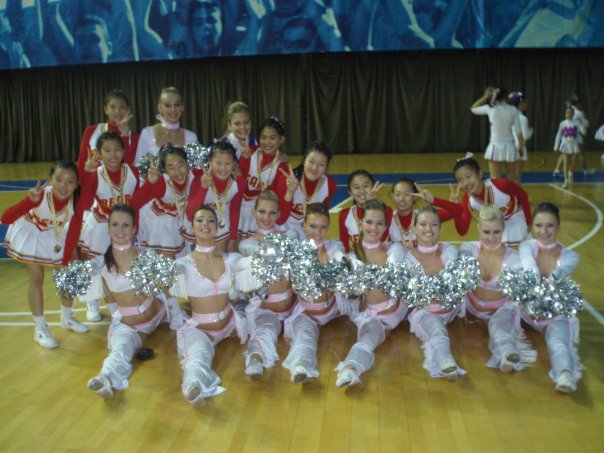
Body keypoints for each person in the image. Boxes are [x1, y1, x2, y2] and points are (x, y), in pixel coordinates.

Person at [85, 205, 179, 400]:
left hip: (160, 312)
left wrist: (176, 313)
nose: (120, 230)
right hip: (132, 325)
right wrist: (114, 316)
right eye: (115, 225)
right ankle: (106, 378)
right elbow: (108, 294)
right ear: (108, 228)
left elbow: (164, 285)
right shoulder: (101, 263)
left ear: (134, 229)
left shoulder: (146, 255)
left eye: (125, 225)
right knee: (122, 348)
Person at [2, 161, 88, 349]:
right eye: (59, 180)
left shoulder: (76, 201)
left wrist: (67, 258)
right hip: (31, 232)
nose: (64, 186)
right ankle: (40, 328)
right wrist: (29, 201)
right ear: (50, 180)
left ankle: (67, 317)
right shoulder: (40, 195)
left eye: (70, 182)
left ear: (76, 184)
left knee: (67, 275)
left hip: (54, 233)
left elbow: (74, 230)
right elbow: (5, 218)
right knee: (37, 276)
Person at [171, 204, 247, 407]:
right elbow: (173, 273)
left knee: (262, 327)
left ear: (217, 226)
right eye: (200, 220)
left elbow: (245, 265)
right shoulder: (184, 264)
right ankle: (192, 386)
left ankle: (257, 360)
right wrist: (171, 272)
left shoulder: (230, 259)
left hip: (231, 324)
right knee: (199, 358)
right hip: (201, 329)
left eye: (211, 220)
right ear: (192, 227)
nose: (205, 224)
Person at [63, 131, 140, 321]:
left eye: (117, 149)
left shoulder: (133, 172)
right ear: (98, 153)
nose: (113, 155)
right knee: (94, 266)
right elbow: (84, 204)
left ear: (124, 151)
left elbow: (137, 204)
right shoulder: (95, 175)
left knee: (120, 265)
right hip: (100, 226)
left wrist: (135, 228)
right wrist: (86, 175)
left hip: (123, 228)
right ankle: (92, 302)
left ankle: (119, 303)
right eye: (107, 150)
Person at [335, 199, 408, 387]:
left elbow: (395, 278)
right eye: (369, 222)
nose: (374, 228)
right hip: (373, 317)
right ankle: (350, 368)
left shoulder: (395, 249)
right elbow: (350, 295)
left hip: (397, 312)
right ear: (361, 224)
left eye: (379, 223)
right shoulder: (352, 258)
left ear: (385, 226)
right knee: (367, 340)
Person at [459, 205, 536, 373]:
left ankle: (508, 355)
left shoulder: (513, 258)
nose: (491, 237)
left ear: (503, 229)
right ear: (479, 228)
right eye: (486, 232)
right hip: (470, 307)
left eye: (497, 232)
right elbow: (462, 263)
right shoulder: (468, 249)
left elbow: (521, 280)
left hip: (499, 308)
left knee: (500, 328)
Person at [283, 203, 354, 383]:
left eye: (323, 227)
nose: (318, 232)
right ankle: (300, 368)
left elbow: (339, 253)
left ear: (328, 228)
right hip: (307, 313)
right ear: (303, 225)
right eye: (313, 226)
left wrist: (342, 260)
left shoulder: (333, 246)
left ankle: (353, 368)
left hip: (335, 310)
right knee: (306, 338)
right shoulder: (295, 252)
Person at [518, 202, 582, 393]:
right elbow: (531, 269)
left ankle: (565, 374)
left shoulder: (571, 257)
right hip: (523, 311)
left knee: (558, 343)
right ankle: (505, 353)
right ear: (532, 226)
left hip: (553, 314)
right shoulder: (526, 246)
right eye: (538, 225)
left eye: (550, 226)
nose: (544, 231)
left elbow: (557, 276)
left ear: (558, 227)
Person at [405, 205, 465, 380]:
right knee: (437, 330)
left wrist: (433, 286)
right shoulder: (408, 258)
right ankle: (447, 363)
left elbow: (452, 276)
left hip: (452, 309)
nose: (428, 229)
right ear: (414, 229)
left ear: (440, 229)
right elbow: (417, 294)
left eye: (434, 224)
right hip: (426, 312)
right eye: (423, 224)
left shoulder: (449, 250)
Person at [450, 154, 532, 247]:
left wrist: (529, 222)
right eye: (460, 180)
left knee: (500, 243)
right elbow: (462, 231)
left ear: (480, 174)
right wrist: (455, 209)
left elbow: (523, 195)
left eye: (468, 176)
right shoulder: (467, 200)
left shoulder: (501, 185)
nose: (465, 183)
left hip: (515, 216)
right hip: (495, 226)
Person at [131, 144, 197, 256]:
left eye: (181, 165)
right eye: (171, 168)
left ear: (187, 164)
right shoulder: (161, 184)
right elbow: (134, 203)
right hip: (160, 220)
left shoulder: (193, 175)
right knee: (167, 257)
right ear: (165, 170)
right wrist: (150, 183)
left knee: (183, 256)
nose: (178, 172)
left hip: (180, 217)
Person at [186, 140, 246, 252]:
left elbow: (235, 210)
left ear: (234, 163)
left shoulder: (238, 183)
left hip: (221, 228)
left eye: (227, 163)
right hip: (200, 226)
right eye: (218, 163)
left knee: (219, 258)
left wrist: (233, 238)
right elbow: (190, 215)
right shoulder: (200, 179)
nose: (223, 168)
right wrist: (203, 187)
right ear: (210, 161)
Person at [238, 116, 290, 238]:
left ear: (281, 139)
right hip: (239, 208)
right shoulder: (250, 152)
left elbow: (275, 198)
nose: (267, 142)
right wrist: (244, 159)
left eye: (272, 138)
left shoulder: (282, 167)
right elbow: (239, 182)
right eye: (263, 137)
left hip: (261, 215)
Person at [276, 141, 337, 239]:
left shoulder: (330, 185)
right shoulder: (287, 180)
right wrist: (290, 192)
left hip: (308, 231)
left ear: (326, 168)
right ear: (304, 160)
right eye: (311, 162)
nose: (314, 168)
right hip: (282, 228)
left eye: (321, 164)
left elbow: (322, 219)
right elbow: (280, 220)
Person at [389, 176, 462, 252]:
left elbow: (457, 210)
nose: (401, 199)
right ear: (392, 196)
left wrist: (434, 200)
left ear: (415, 197)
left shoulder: (425, 216)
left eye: (407, 194)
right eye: (397, 194)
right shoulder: (387, 218)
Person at [76, 89, 139, 176]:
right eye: (113, 107)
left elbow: (129, 168)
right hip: (94, 183)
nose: (117, 111)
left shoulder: (135, 138)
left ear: (128, 110)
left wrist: (125, 137)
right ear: (106, 109)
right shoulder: (91, 131)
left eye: (122, 107)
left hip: (123, 184)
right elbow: (81, 164)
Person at [471, 86, 524, 181]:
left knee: (495, 179)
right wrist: (521, 148)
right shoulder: (513, 109)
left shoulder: (490, 108)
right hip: (510, 147)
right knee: (512, 179)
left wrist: (484, 97)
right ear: (505, 96)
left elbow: (473, 108)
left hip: (495, 147)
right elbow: (518, 132)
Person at [135, 87, 198, 162]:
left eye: (177, 105)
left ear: (182, 107)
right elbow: (138, 164)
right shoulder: (147, 133)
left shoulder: (191, 137)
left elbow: (197, 167)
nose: (173, 109)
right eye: (168, 105)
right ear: (160, 108)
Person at [339, 169, 391, 252]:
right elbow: (344, 246)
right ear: (350, 192)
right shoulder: (344, 214)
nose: (362, 191)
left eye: (366, 186)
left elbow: (383, 239)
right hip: (354, 259)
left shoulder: (386, 211)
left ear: (373, 187)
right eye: (356, 187)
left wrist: (371, 206)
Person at [552, 107, 587, 189]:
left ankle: (570, 174)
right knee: (565, 162)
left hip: (574, 145)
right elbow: (558, 134)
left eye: (570, 112)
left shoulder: (576, 122)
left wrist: (582, 127)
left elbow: (583, 132)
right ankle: (566, 180)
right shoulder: (562, 123)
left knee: (573, 163)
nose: (568, 114)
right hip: (565, 144)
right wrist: (556, 146)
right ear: (565, 114)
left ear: (573, 114)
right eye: (567, 112)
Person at [508, 91, 533, 185]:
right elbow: (525, 136)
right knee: (518, 175)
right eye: (525, 102)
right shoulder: (523, 118)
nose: (526, 104)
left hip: (509, 147)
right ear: (520, 103)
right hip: (519, 146)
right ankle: (516, 193)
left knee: (511, 175)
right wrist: (530, 131)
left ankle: (510, 192)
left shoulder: (508, 116)